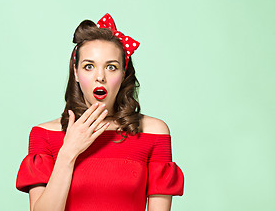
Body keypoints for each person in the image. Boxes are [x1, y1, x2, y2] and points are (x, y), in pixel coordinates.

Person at [16, 13, 184, 211]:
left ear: (123, 73)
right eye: (89, 66)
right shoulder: (44, 135)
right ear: (76, 72)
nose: (100, 77)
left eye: (111, 67)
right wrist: (68, 152)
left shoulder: (154, 132)